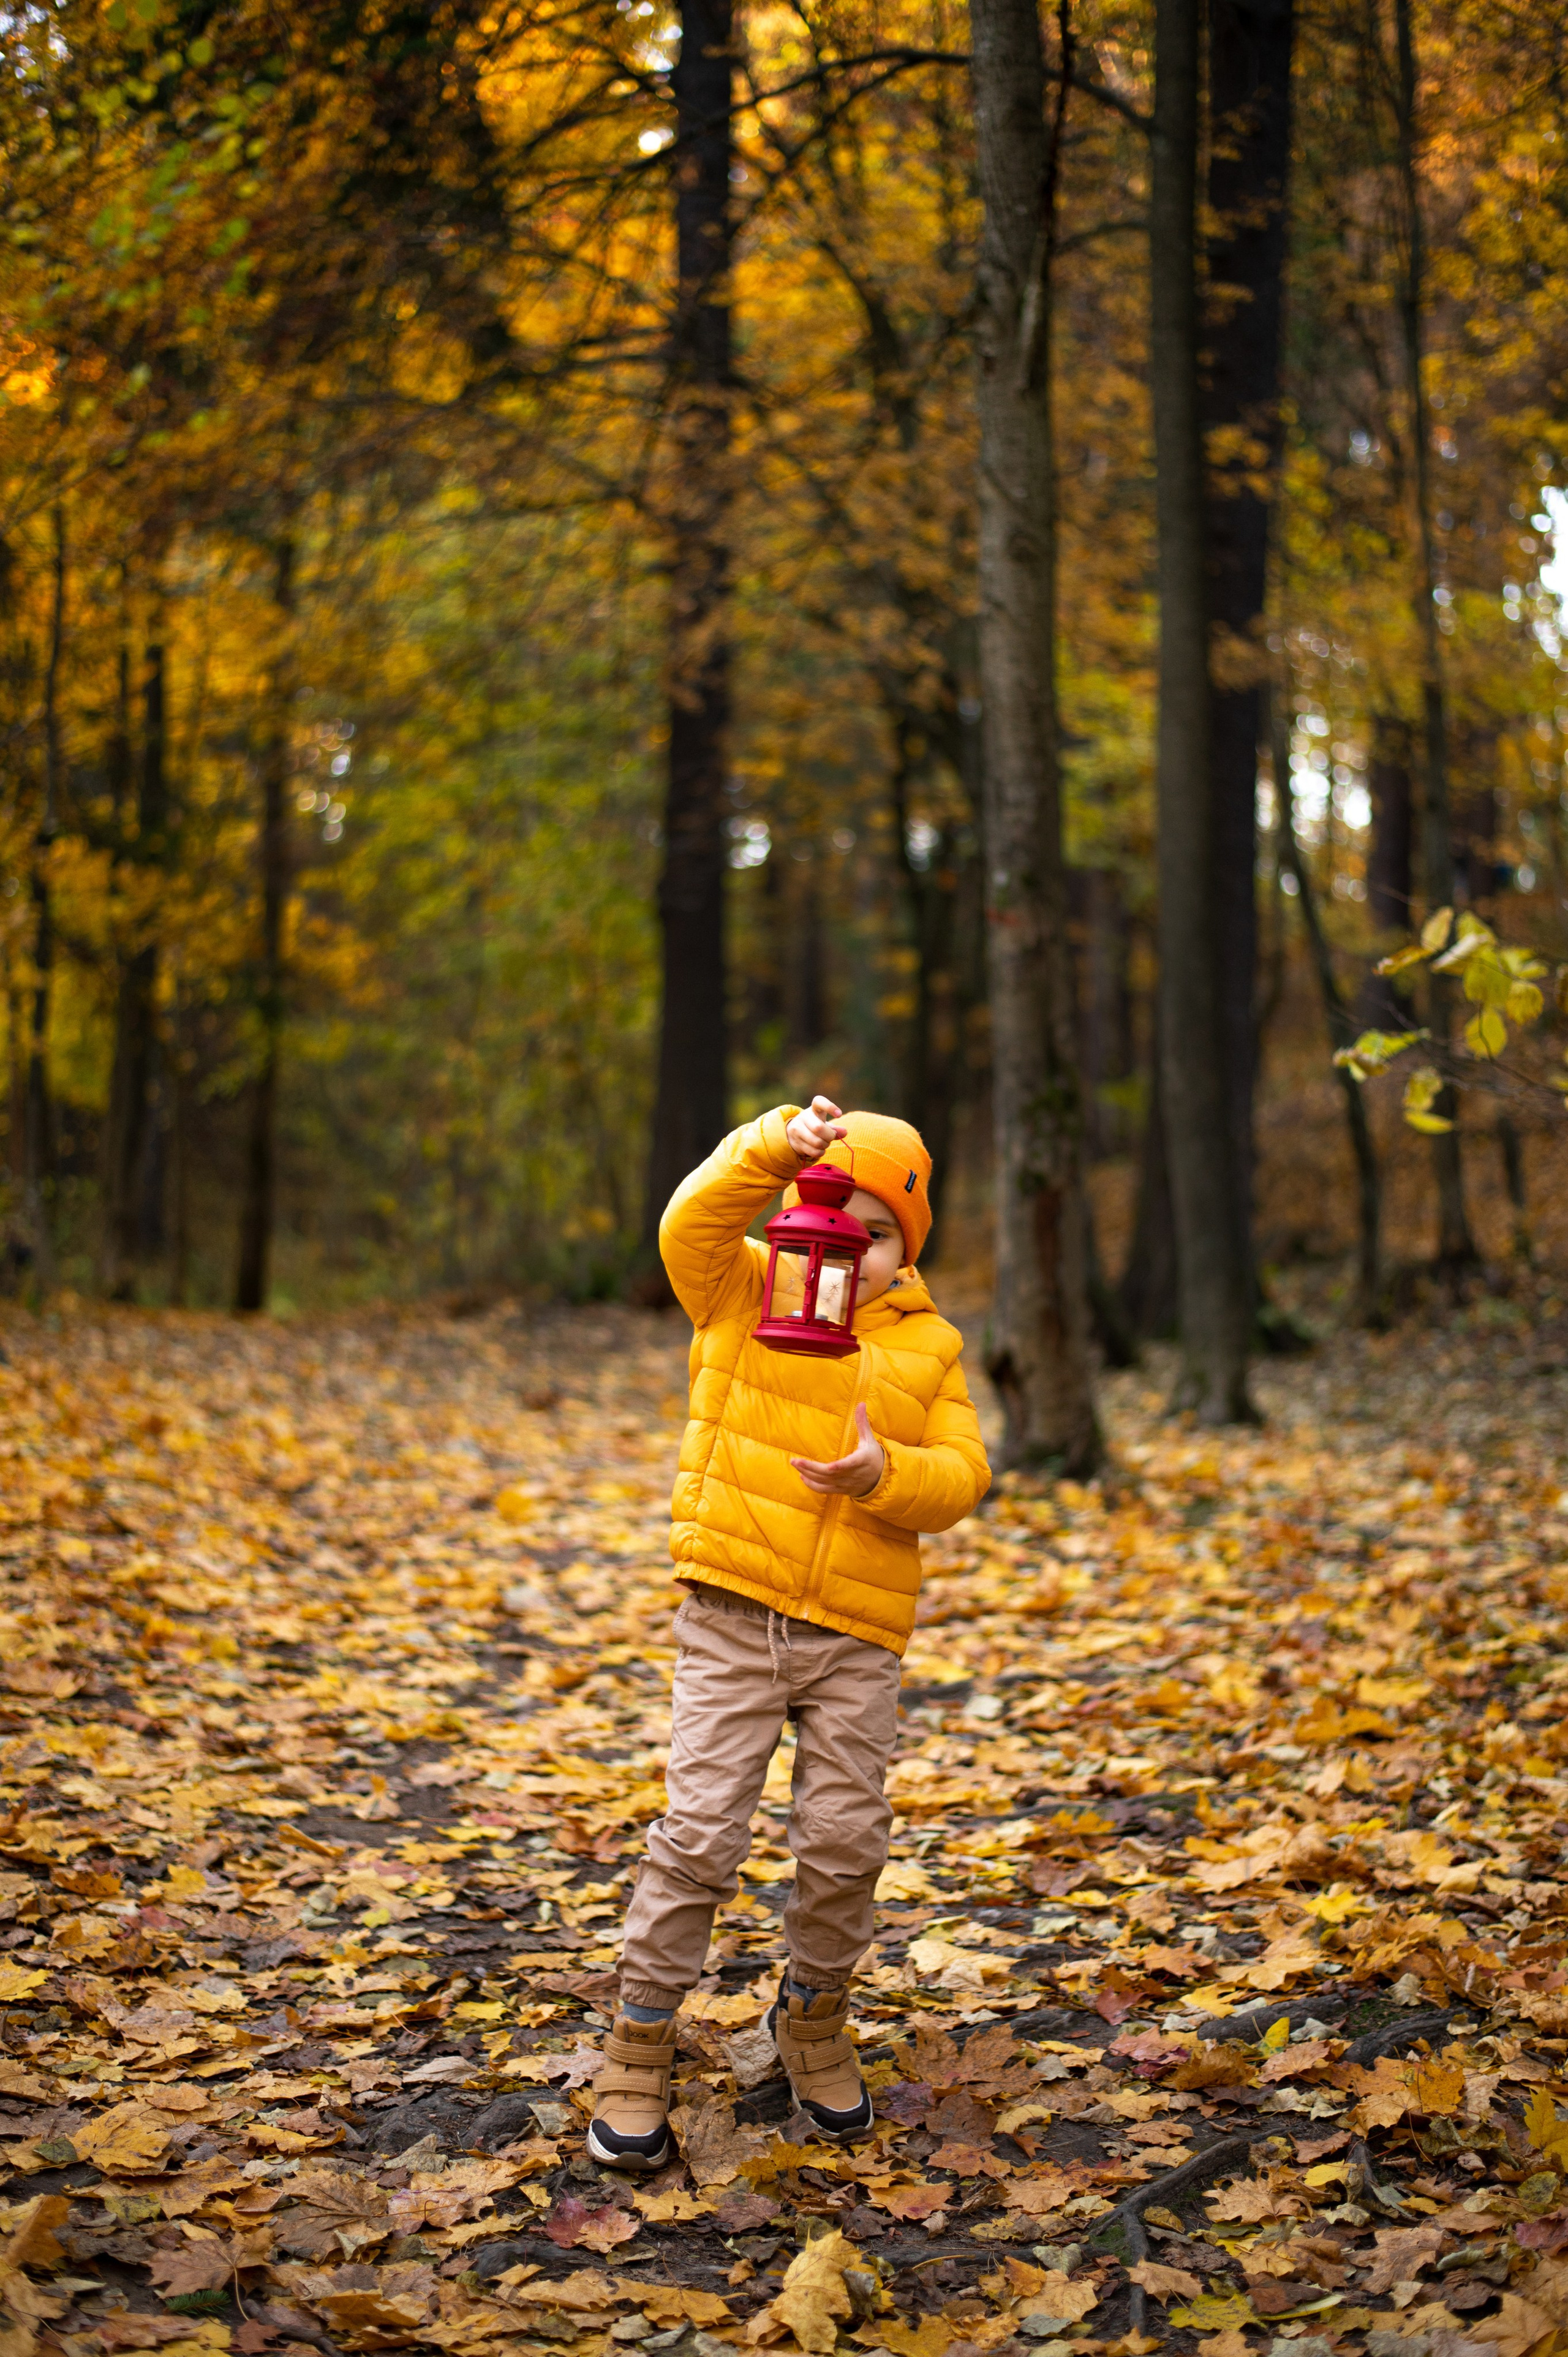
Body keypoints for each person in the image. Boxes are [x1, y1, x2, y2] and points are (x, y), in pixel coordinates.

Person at [588, 1096, 992, 2170]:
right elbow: (689, 1224)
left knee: (848, 1840)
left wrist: (885, 1476)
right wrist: (772, 1147)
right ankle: (641, 2036)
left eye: (876, 1234)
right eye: (833, 1219)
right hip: (733, 1608)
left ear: (910, 1245)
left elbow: (963, 1476)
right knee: (703, 1833)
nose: (848, 1251)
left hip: (857, 1633)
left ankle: (810, 2014)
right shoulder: (745, 1283)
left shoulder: (931, 1346)